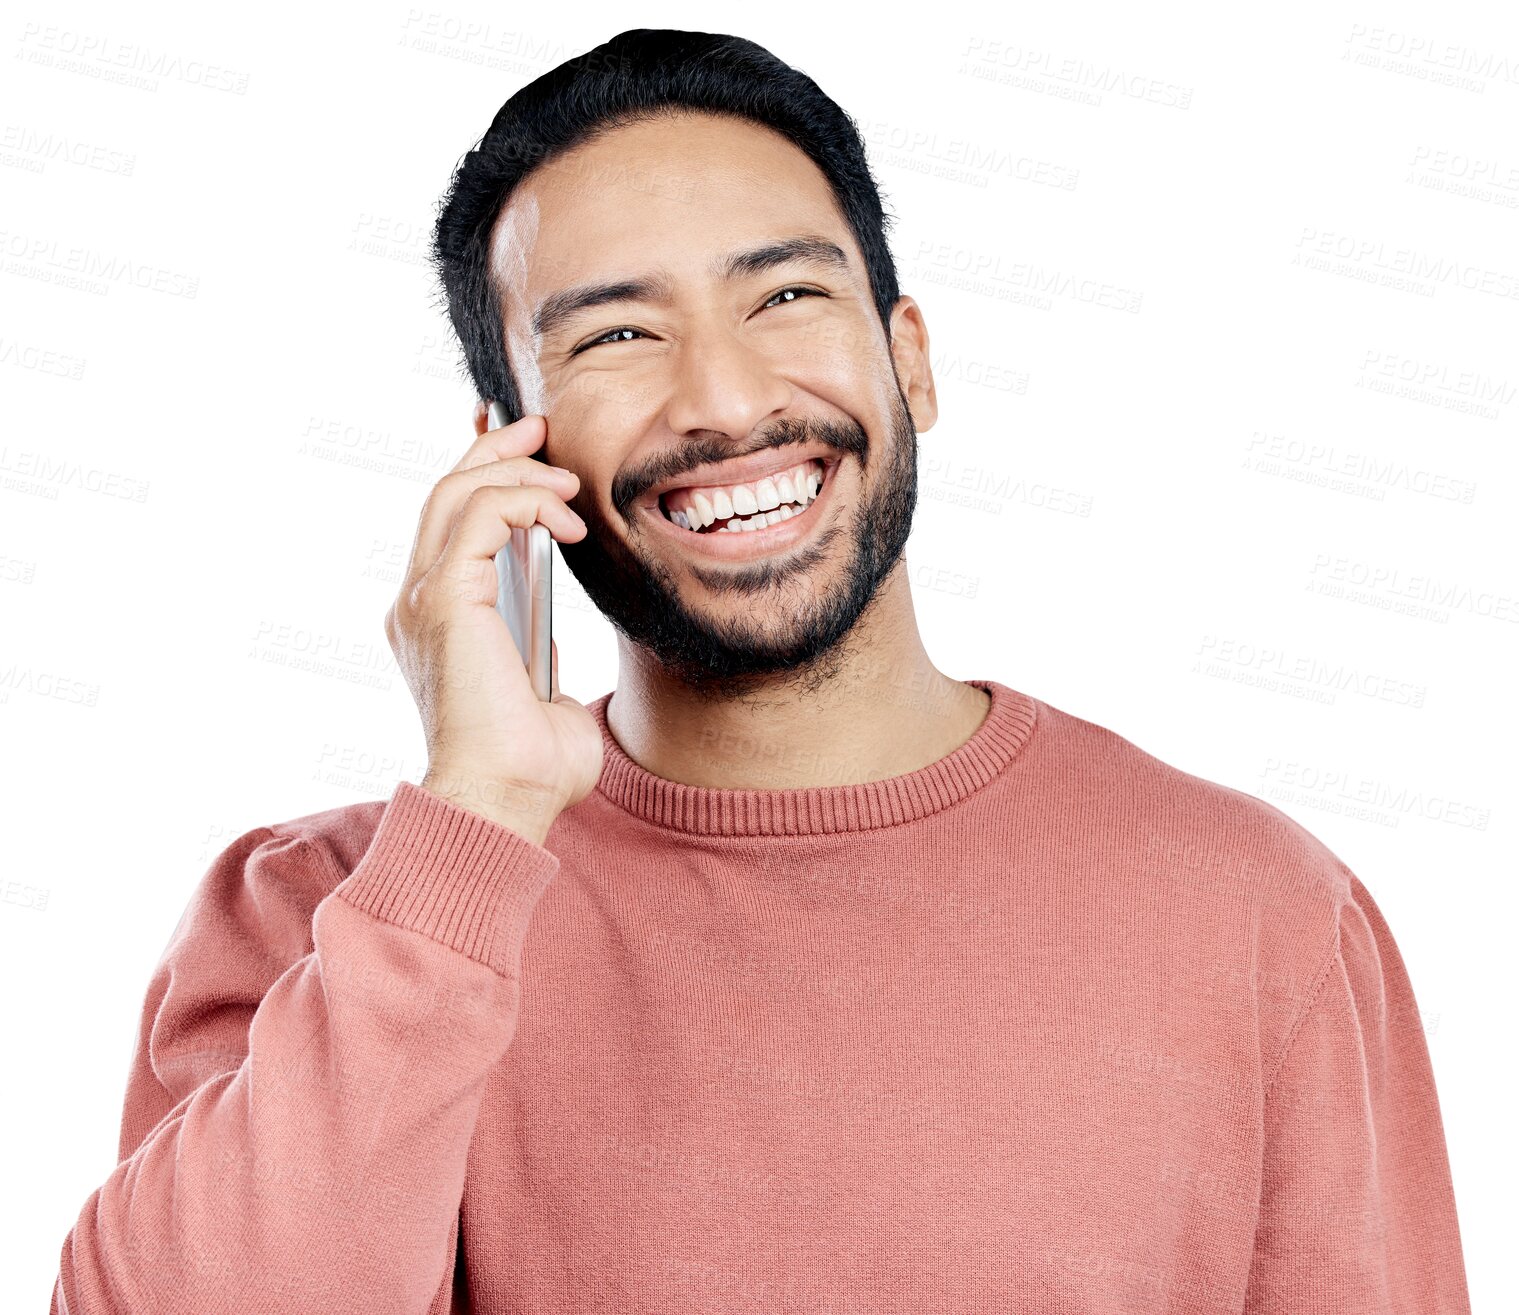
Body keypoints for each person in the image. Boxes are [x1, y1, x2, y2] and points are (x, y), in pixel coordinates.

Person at [51, 28, 1472, 1315]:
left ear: (909, 360)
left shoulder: (1260, 914)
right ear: (507, 449)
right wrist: (474, 823)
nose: (726, 403)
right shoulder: (329, 921)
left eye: (786, 294)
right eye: (615, 336)